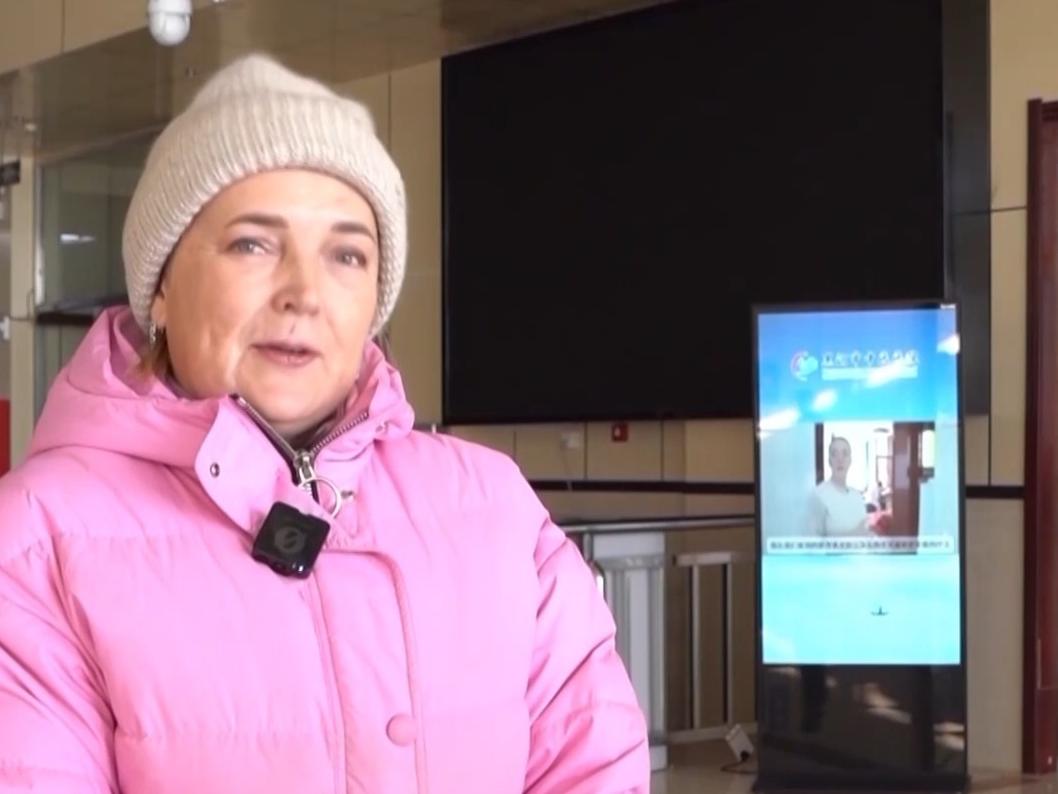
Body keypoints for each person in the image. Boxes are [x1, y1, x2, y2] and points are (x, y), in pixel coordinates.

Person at [0, 54, 649, 793]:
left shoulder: (494, 507)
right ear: (163, 288)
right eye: (253, 243)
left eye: (346, 254)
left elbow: (594, 765)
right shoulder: (35, 542)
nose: (304, 293)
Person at [806, 436, 871, 537]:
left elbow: (865, 531)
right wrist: (854, 534)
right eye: (834, 454)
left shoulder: (857, 496)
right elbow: (813, 542)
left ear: (850, 461)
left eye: (845, 454)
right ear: (829, 461)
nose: (840, 459)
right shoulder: (819, 495)